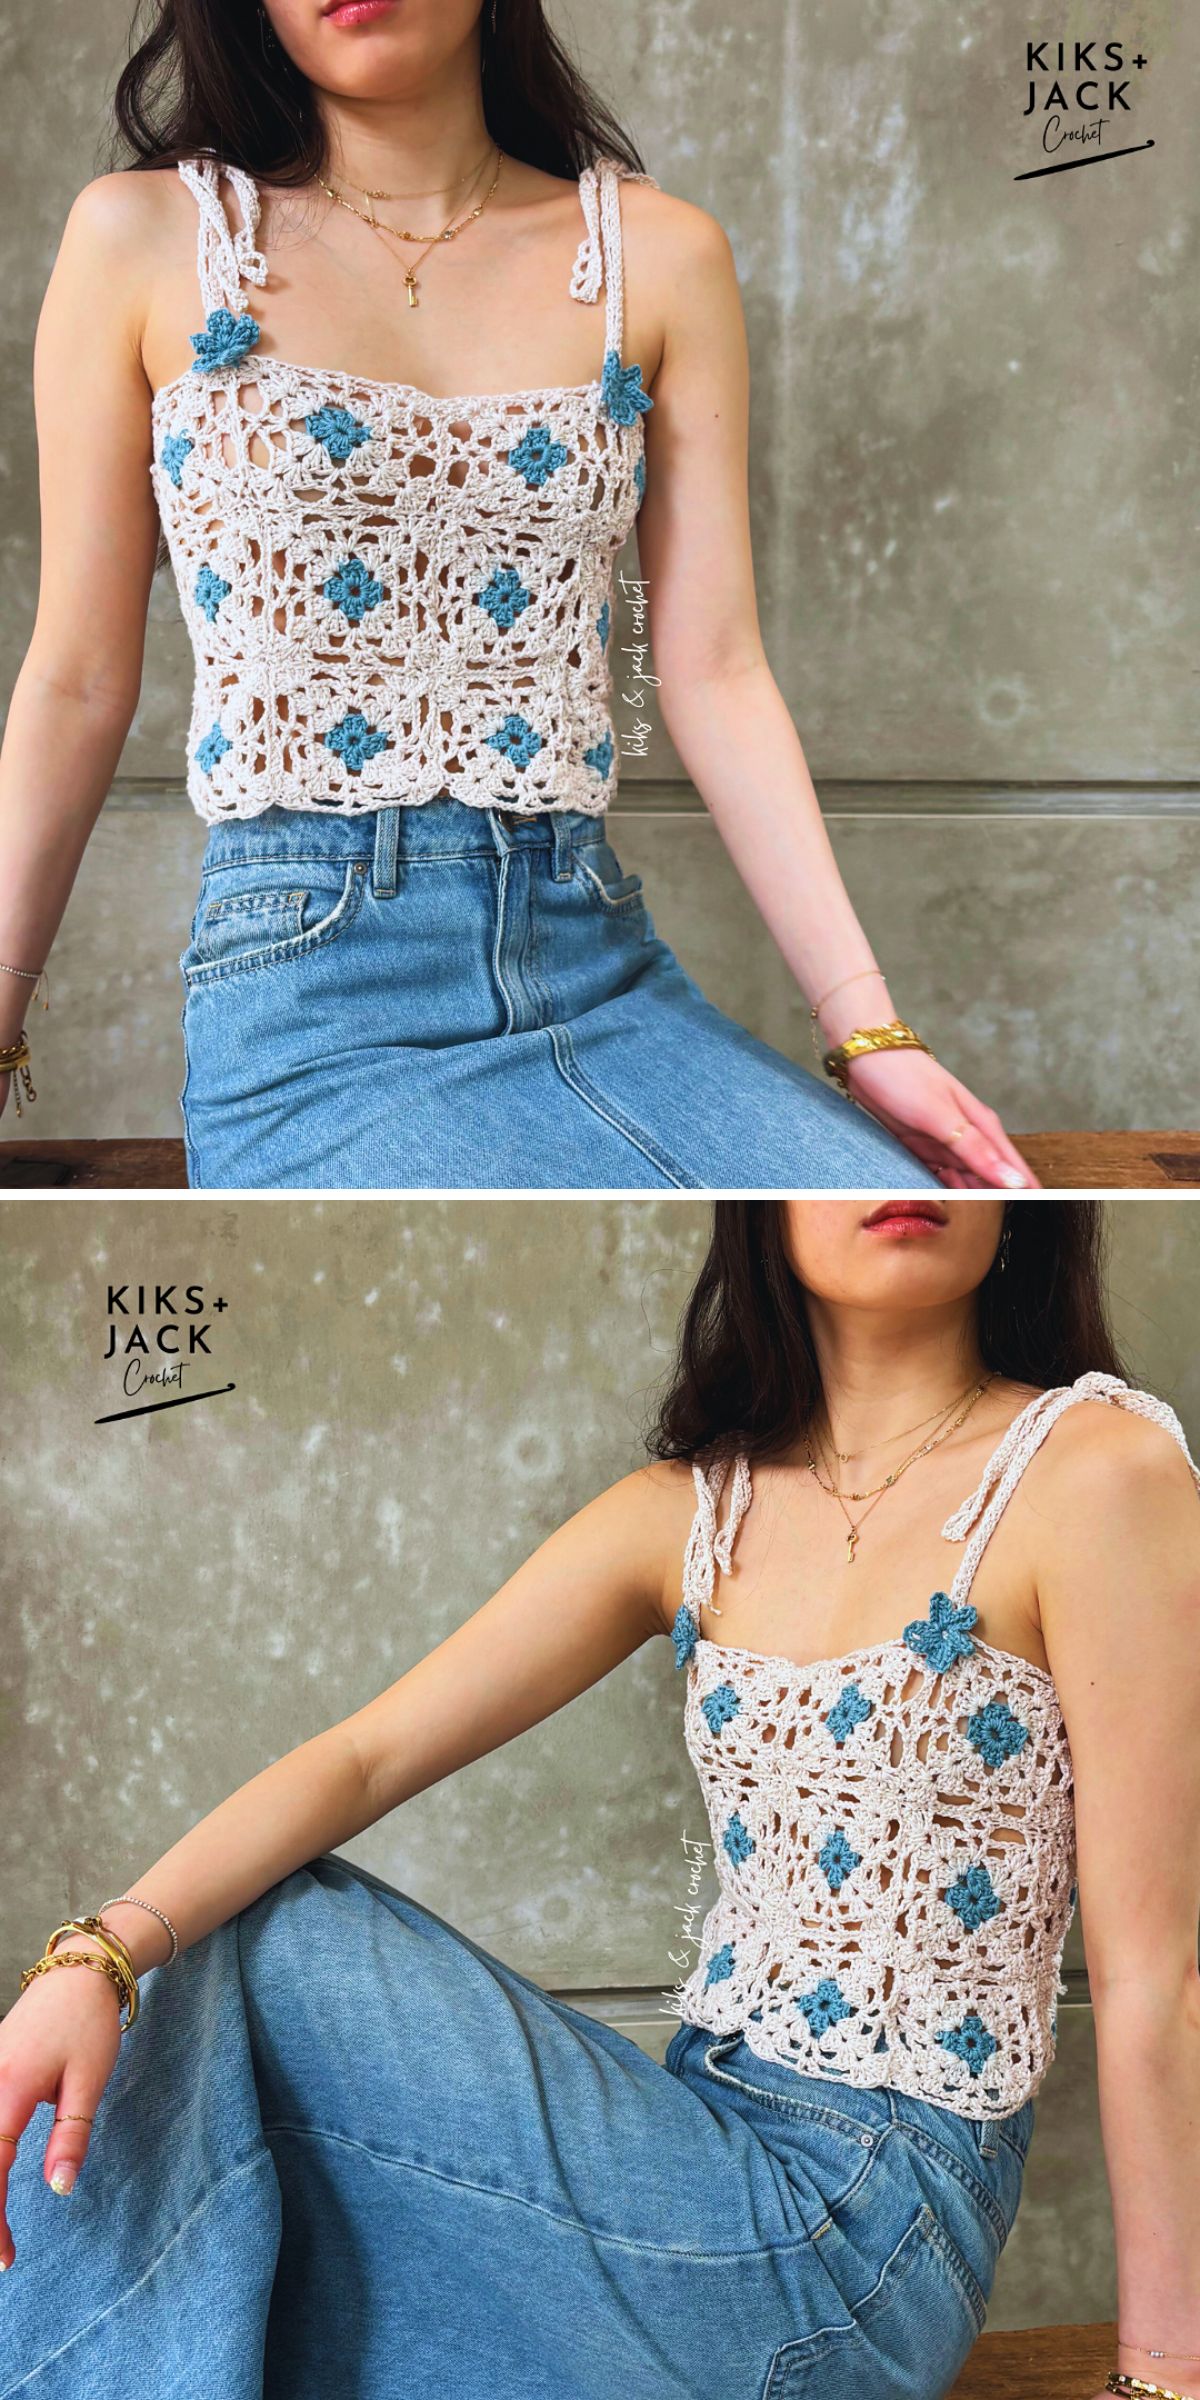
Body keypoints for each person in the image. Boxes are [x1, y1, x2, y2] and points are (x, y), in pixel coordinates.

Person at [2, 1197, 1197, 2400]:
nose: (897, 1181)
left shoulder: (1093, 1470)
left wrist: (1162, 2377)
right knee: (270, 2222)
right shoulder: (693, 1511)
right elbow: (365, 1756)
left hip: (866, 2238)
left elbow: (1159, 1977)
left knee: (267, 1942)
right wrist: (90, 1957)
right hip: (692, 2151)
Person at [0, 0, 1037, 1191]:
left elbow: (712, 670)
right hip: (315, 998)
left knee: (886, 1188)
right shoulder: (145, 238)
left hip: (595, 960)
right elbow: (77, 676)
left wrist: (867, 1026)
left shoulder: (659, 256)